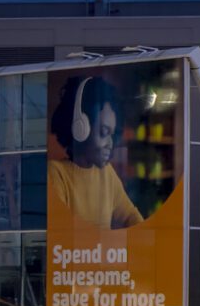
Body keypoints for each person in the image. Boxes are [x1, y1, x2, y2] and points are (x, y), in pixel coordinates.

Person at [48, 74, 143, 229]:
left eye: (112, 135)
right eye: (104, 132)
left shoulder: (107, 173)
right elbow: (62, 234)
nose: (110, 144)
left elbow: (130, 216)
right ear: (81, 128)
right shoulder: (56, 174)